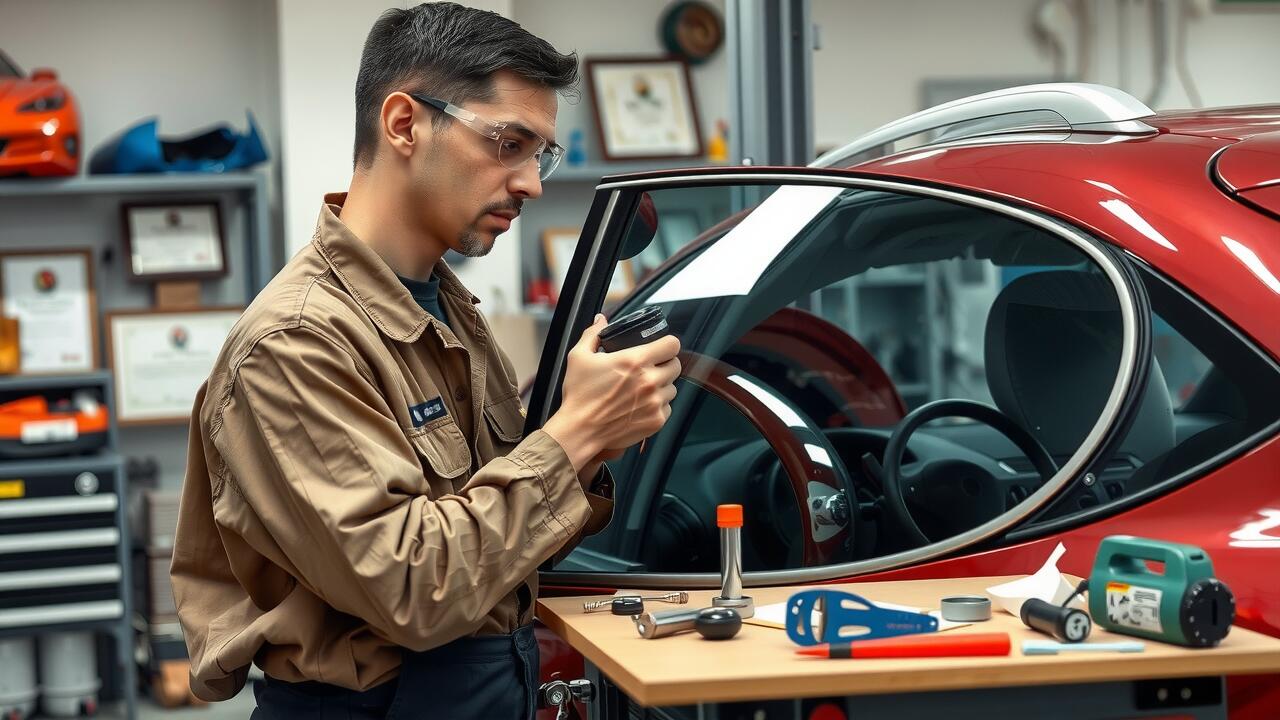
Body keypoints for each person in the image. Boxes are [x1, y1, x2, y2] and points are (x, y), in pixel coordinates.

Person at [169, 4, 681, 718]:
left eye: (542, 155)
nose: (532, 182)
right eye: (509, 143)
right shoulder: (295, 341)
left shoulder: (446, 311)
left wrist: (596, 441)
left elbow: (500, 548)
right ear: (405, 124)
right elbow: (414, 590)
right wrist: (577, 437)